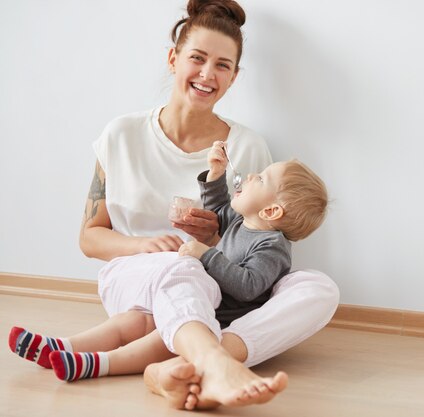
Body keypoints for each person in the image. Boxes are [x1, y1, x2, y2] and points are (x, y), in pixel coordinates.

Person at [70, 0, 337, 409]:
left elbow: (251, 233)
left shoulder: (247, 146)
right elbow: (90, 238)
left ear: (234, 77)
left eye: (223, 65)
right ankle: (213, 362)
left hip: (219, 287)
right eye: (197, 58)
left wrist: (211, 234)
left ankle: (188, 365)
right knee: (182, 264)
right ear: (173, 59)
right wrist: (143, 245)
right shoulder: (121, 134)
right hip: (140, 280)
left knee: (319, 287)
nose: (207, 74)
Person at [9, 146, 328, 409]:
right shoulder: (241, 221)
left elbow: (248, 288)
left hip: (215, 319)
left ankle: (98, 363)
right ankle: (61, 346)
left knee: (155, 339)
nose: (252, 176)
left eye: (262, 178)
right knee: (130, 322)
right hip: (192, 300)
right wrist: (215, 175)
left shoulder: (272, 247)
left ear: (272, 212)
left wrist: (207, 254)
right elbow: (217, 212)